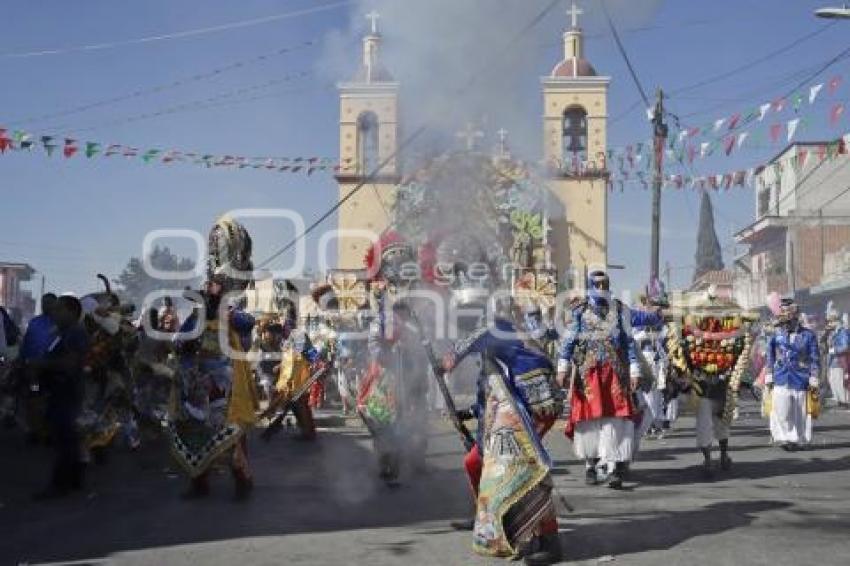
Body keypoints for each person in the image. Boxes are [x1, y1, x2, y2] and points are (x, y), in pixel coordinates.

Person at [442, 306, 562, 566]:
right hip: (512, 407)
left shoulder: (491, 328)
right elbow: (490, 387)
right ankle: (488, 517)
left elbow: (457, 352)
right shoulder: (493, 343)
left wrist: (443, 362)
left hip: (535, 405)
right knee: (474, 462)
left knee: (523, 469)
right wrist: (470, 412)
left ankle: (550, 540)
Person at [169, 275, 258, 499]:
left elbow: (248, 324)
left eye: (212, 291)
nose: (207, 294)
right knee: (195, 436)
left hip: (226, 389)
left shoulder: (231, 315)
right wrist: (186, 342)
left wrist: (226, 314)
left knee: (231, 435)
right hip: (197, 388)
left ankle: (242, 482)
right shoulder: (195, 318)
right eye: (205, 291)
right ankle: (199, 484)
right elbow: (179, 342)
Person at [558, 270, 641, 489]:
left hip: (614, 373)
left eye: (605, 284)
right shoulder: (580, 311)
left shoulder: (619, 310)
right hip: (588, 374)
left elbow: (628, 342)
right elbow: (568, 341)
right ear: (590, 285)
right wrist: (562, 367)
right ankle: (590, 465)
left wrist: (634, 370)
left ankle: (612, 468)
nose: (602, 288)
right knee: (589, 421)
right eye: (597, 284)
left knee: (614, 419)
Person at [26, 296, 89, 498]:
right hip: (59, 392)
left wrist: (40, 365)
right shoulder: (64, 332)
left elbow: (70, 364)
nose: (54, 313)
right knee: (67, 439)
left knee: (64, 440)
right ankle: (73, 481)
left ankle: (60, 485)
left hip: (67, 392)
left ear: (72, 311)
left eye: (59, 309)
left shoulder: (75, 333)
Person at [766, 298, 820, 450]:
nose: (786, 318)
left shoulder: (808, 335)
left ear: (796, 316)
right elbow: (769, 355)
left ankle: (797, 439)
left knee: (799, 412)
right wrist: (769, 374)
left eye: (789, 314)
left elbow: (815, 357)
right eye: (783, 314)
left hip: (800, 377)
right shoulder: (775, 334)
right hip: (781, 375)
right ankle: (784, 437)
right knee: (781, 409)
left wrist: (814, 376)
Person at [826, 312, 849, 408]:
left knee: (840, 382)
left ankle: (846, 401)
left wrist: (834, 350)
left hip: (840, 361)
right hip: (833, 362)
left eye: (831, 321)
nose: (829, 324)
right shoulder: (834, 332)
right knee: (833, 382)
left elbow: (846, 346)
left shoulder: (843, 332)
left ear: (836, 321)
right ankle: (840, 400)